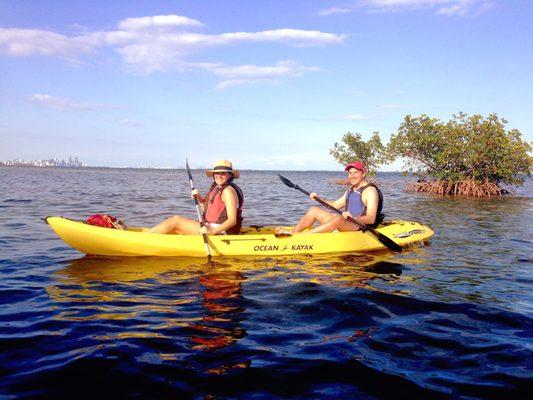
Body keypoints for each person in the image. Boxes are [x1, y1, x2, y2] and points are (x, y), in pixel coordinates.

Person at [277, 161, 383, 234]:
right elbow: (336, 205)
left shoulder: (370, 191)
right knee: (313, 210)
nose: (352, 176)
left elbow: (371, 218)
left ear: (363, 173)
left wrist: (353, 218)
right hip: (346, 223)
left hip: (360, 227)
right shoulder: (351, 189)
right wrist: (318, 198)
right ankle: (294, 232)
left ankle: (303, 236)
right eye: (350, 173)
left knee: (338, 218)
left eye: (356, 172)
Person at [148, 160, 244, 235]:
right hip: (211, 227)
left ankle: (144, 238)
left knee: (176, 221)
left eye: (223, 173)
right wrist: (198, 197)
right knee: (178, 228)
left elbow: (232, 221)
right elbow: (210, 211)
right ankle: (148, 235)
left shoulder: (228, 191)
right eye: (216, 173)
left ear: (229, 175)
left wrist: (212, 232)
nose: (218, 176)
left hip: (221, 231)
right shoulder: (218, 188)